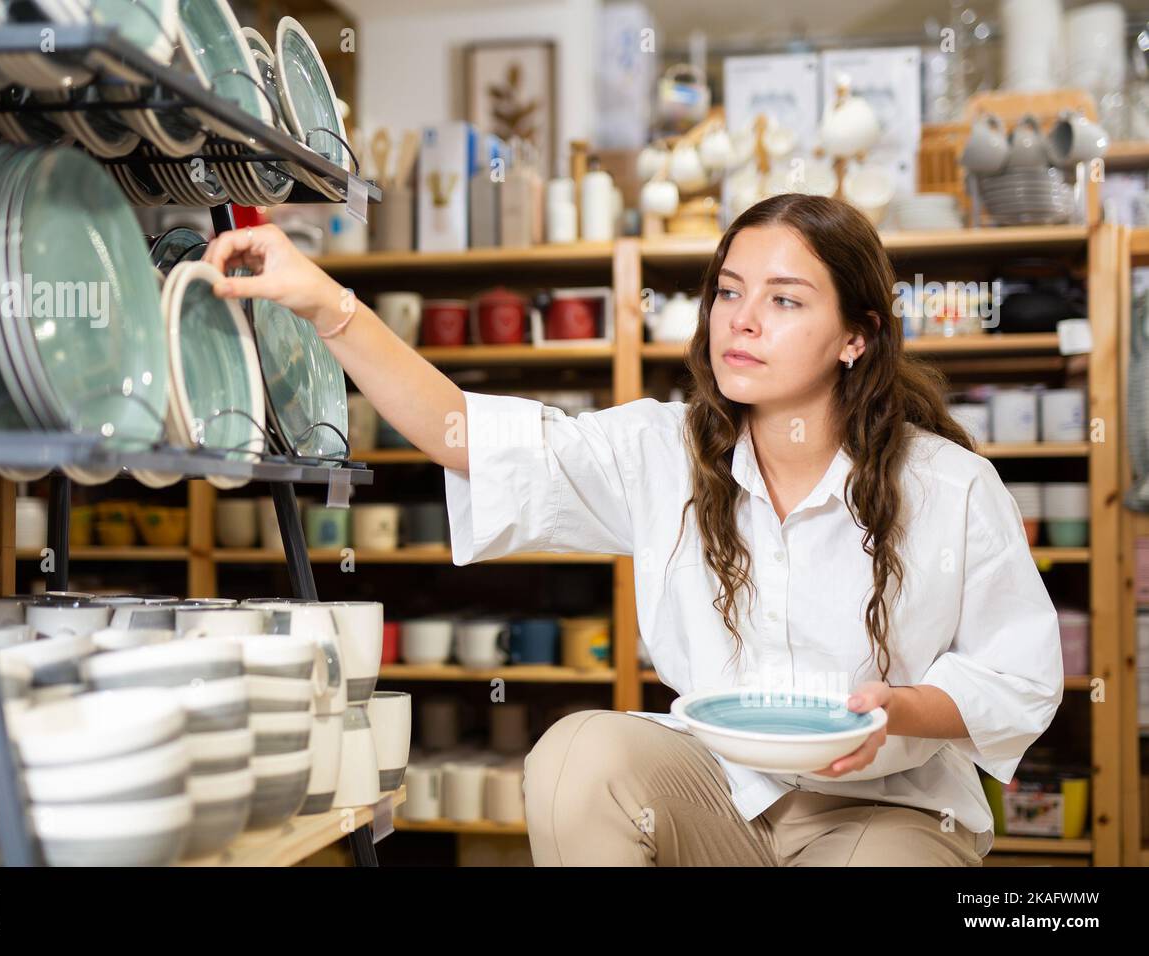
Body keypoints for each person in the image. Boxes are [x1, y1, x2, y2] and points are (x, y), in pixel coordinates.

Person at [205, 192, 1064, 867]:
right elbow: (468, 435)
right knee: (579, 753)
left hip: (892, 810)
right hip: (720, 797)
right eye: (729, 292)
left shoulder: (949, 484)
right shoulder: (663, 448)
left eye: (785, 299)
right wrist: (326, 305)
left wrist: (898, 711)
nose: (743, 319)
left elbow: (1019, 677)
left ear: (855, 337)